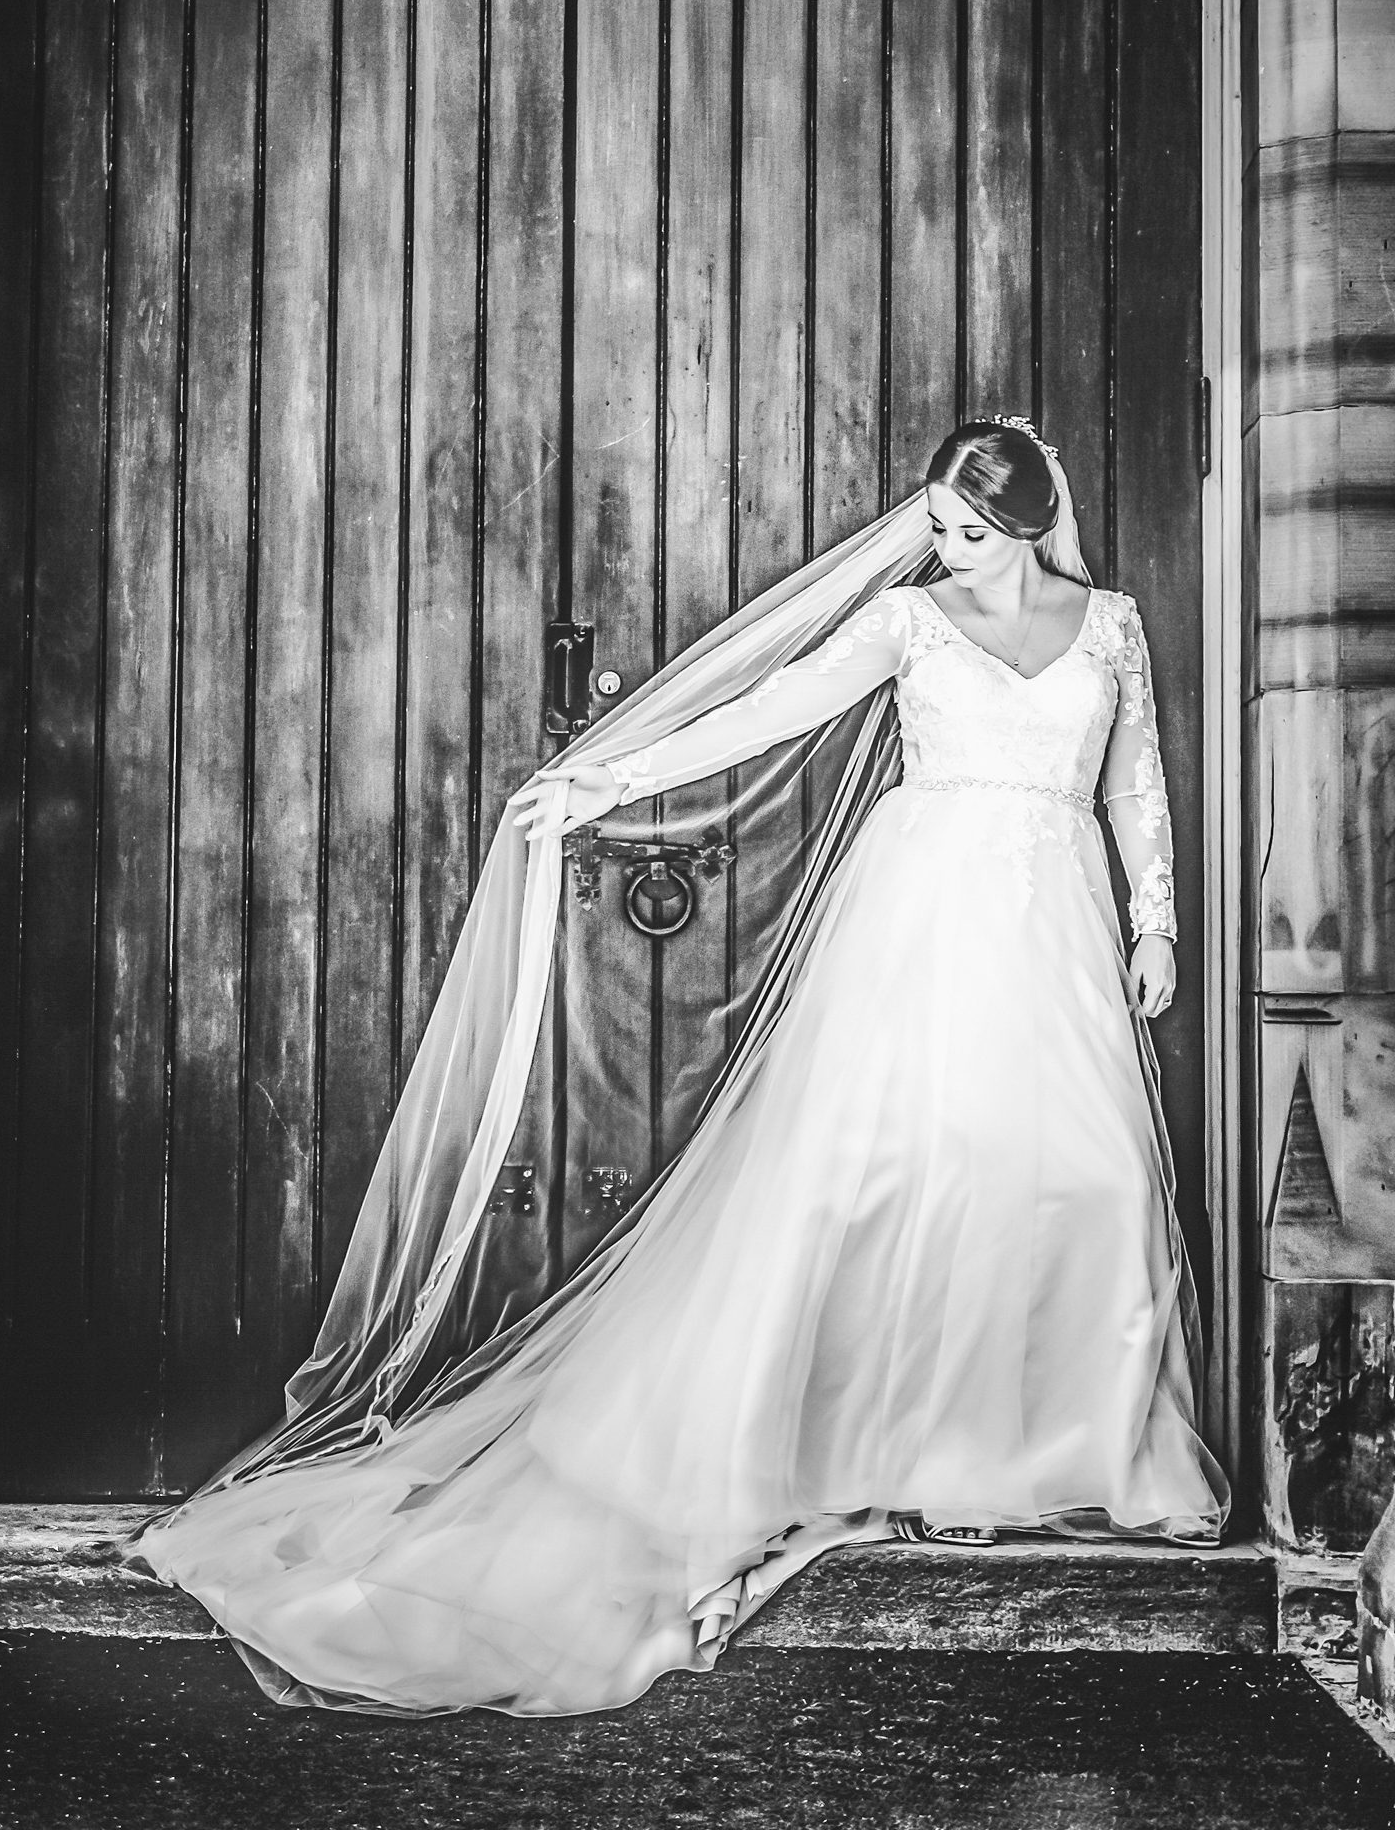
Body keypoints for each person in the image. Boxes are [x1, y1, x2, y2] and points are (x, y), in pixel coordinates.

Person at [130, 418, 1228, 1717]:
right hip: (924, 921)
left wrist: (1155, 922)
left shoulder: (1111, 627)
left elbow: (1134, 783)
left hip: (1059, 926)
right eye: (938, 524)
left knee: (1078, 1182)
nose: (946, 548)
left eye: (970, 531)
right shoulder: (910, 625)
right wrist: (606, 782)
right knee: (918, 1182)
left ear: (1033, 524)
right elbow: (772, 706)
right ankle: (947, 1468)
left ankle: (1084, 1458)